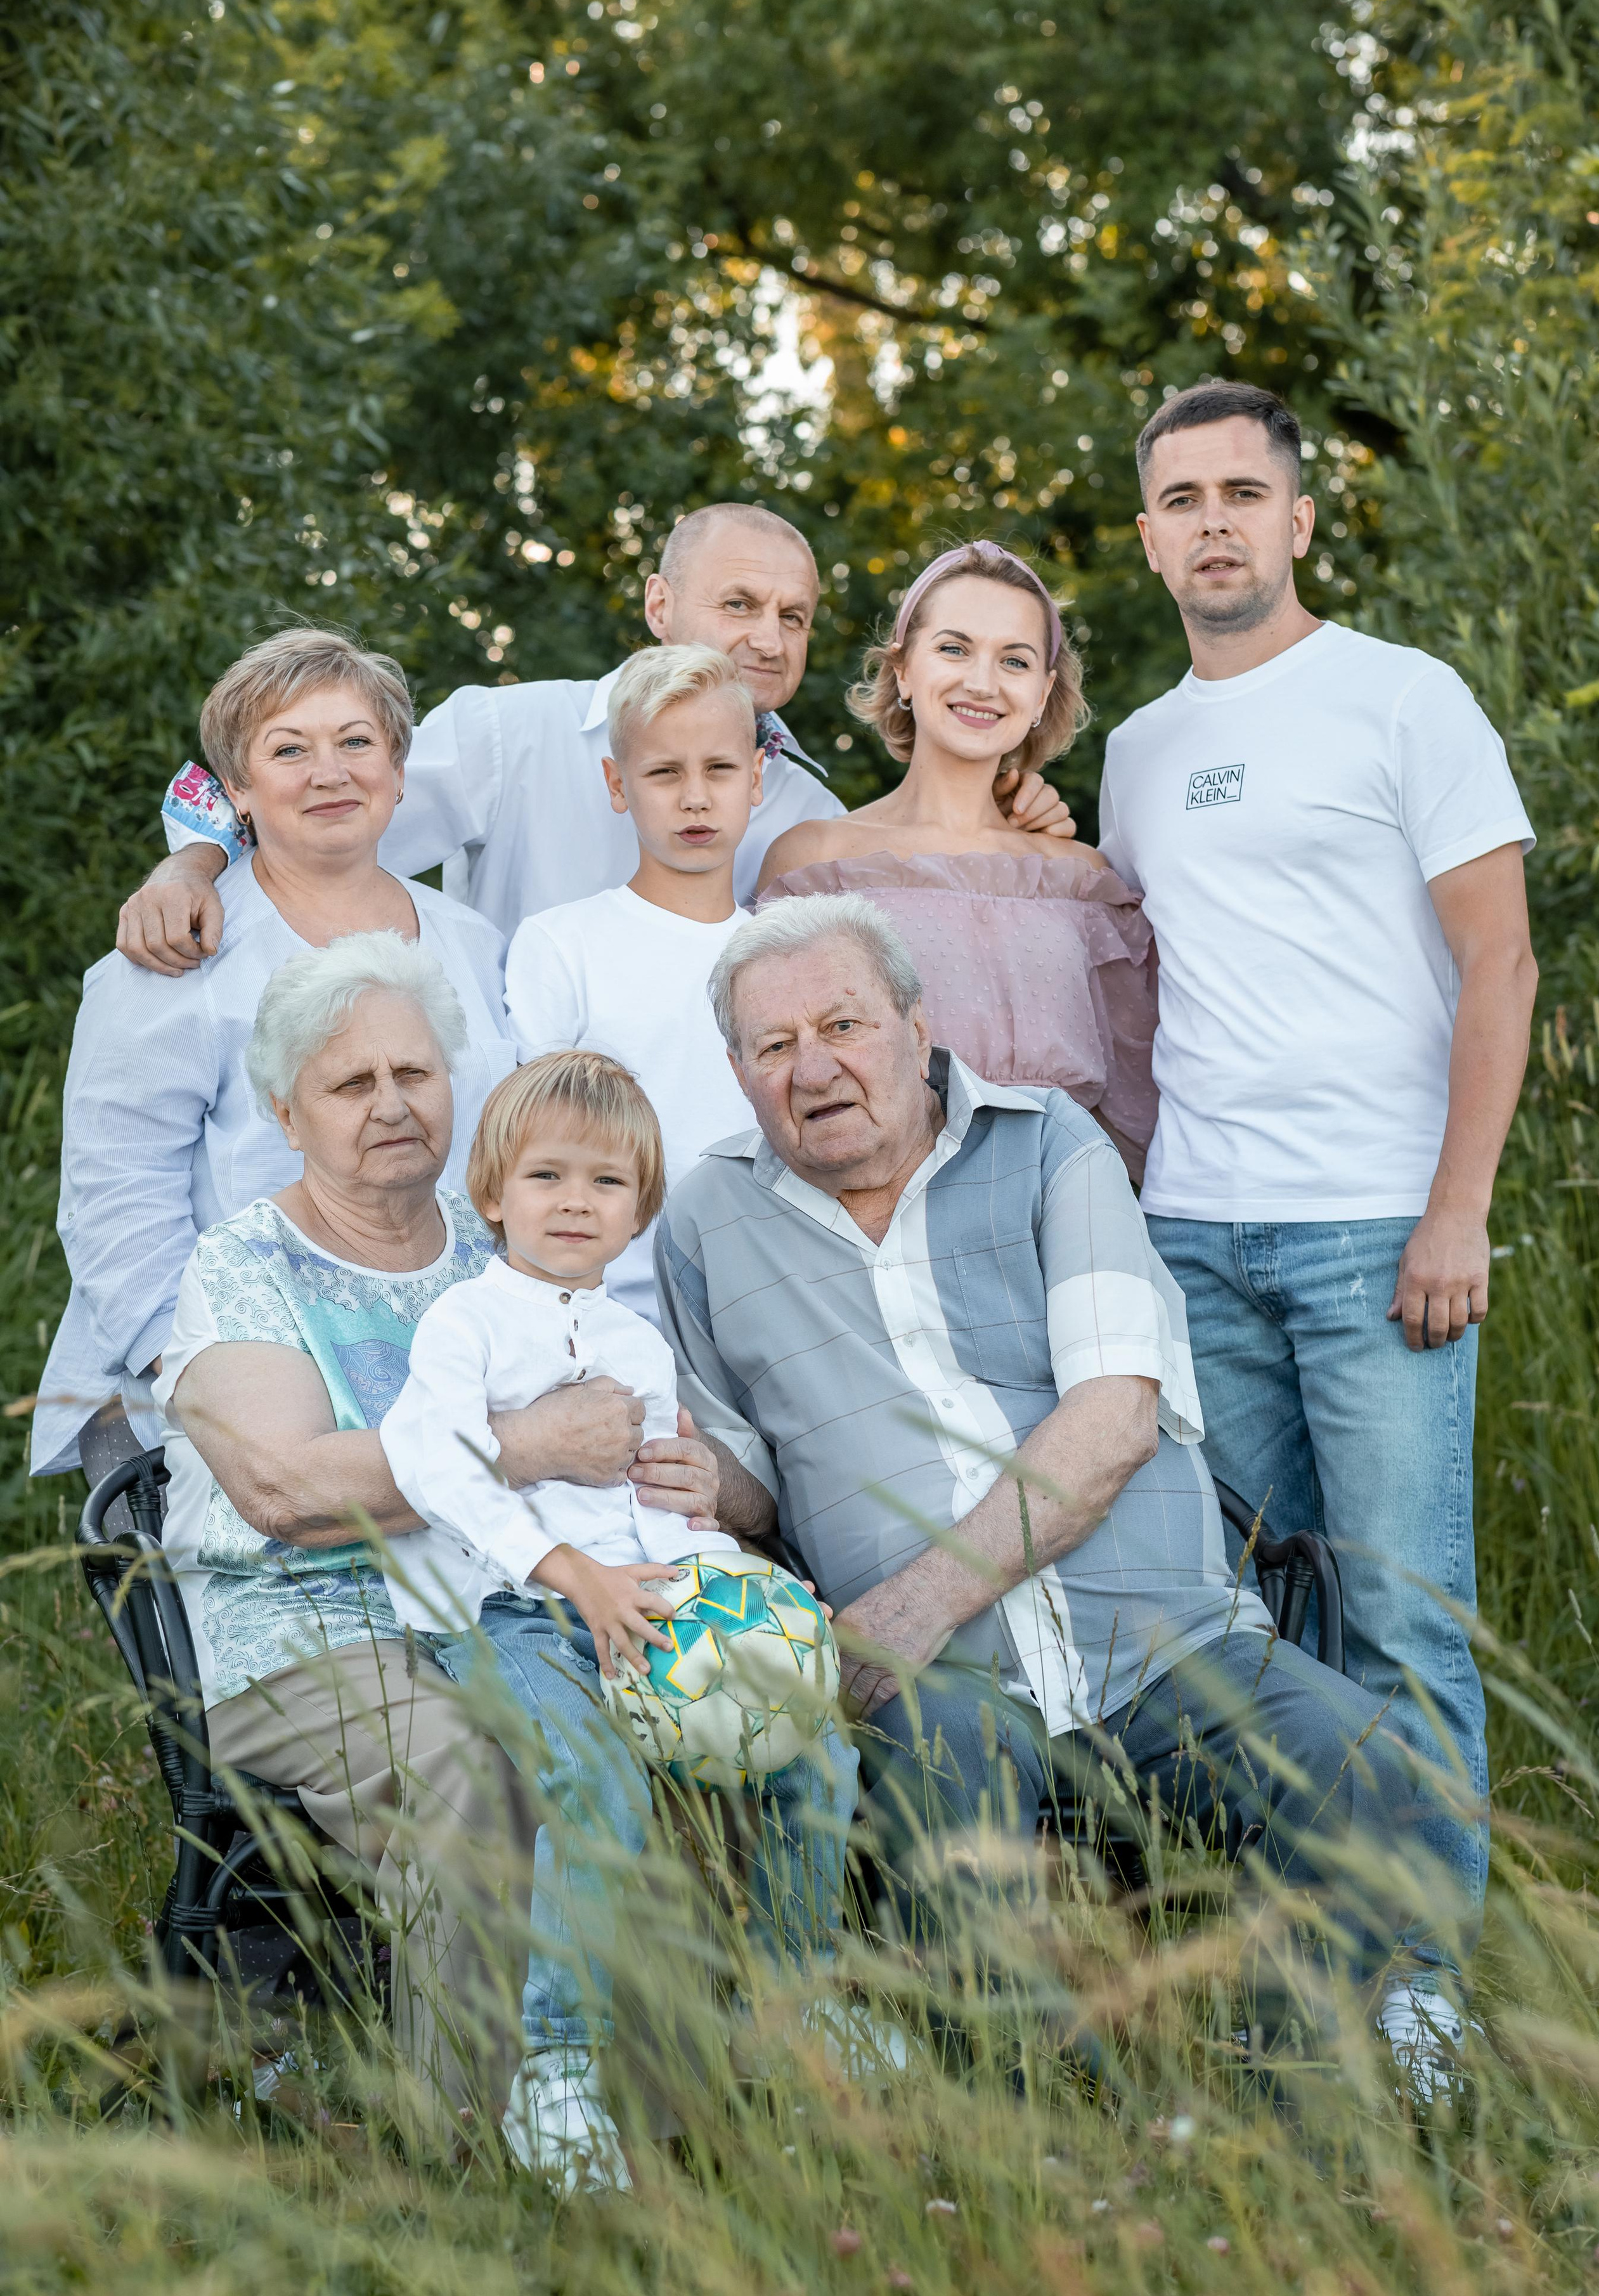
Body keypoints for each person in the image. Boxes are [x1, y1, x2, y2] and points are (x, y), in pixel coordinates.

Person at [654, 893, 1463, 2066]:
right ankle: (1038, 2151)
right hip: (947, 1691)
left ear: (914, 1024)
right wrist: (678, 1472)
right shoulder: (706, 1222)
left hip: (1162, 1643)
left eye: (842, 1025)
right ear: (736, 1072)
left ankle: (1292, 2094)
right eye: (772, 1046)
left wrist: (914, 1609)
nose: (813, 1067)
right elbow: (756, 1498)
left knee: (1362, 1769)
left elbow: (1113, 1420)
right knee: (948, 1792)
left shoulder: (1049, 1147)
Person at [158, 937, 725, 2168]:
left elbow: (637, 1426)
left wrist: (693, 1472)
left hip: (507, 1615)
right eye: (350, 1084)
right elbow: (285, 1490)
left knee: (665, 1739)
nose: (391, 1104)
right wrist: (524, 1443)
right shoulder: (241, 1267)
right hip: (302, 1638)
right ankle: (470, 2160)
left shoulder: (506, 1256)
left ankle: (657, 2149)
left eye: (413, 1072)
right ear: (283, 1112)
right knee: (464, 1767)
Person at [1098, 380, 1539, 1928]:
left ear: (1294, 518)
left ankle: (1414, 1986)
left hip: (1374, 1230)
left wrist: (1456, 1209)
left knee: (1400, 1624)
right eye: (1179, 498)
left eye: (1237, 491)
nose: (1209, 520)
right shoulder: (1137, 751)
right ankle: (1305, 1968)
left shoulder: (1401, 697)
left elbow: (1499, 965)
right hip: (1194, 1237)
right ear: (1147, 540)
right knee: (1260, 1623)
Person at [380, 1050, 858, 2181]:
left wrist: (734, 1606)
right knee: (599, 1785)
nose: (574, 1204)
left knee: (816, 1750)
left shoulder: (638, 1344)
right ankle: (557, 2073)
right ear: (493, 1193)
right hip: (512, 1614)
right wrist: (564, 1571)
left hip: (645, 1604)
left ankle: (791, 2010)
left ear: (639, 1210)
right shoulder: (467, 1325)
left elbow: (661, 1509)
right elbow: (428, 1463)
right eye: (546, 1178)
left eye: (605, 1185)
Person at [113, 505, 1077, 976]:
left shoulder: (807, 811)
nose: (767, 637)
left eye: (795, 614)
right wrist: (188, 872)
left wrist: (1006, 808)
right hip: (498, 1126)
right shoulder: (512, 730)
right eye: (737, 603)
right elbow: (300, 812)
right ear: (661, 604)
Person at [32, 626, 516, 1486]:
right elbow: (115, 1199)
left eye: (357, 743)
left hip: (457, 1369)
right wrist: (205, 1377)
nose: (331, 773)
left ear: (399, 774)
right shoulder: (176, 956)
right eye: (290, 750)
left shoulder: (472, 944)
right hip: (252, 1377)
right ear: (238, 794)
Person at [755, 540, 1156, 1181]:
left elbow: (1139, 1098)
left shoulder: (1082, 878)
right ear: (904, 669)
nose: (982, 682)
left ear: (1043, 693)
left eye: (1015, 660)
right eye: (953, 648)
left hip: (1067, 1204)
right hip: (883, 1210)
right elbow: (777, 1065)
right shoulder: (817, 861)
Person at [503, 642, 763, 1320]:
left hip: (765, 1301)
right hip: (607, 1310)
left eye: (720, 769)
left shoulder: (782, 956)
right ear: (618, 785)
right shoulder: (561, 945)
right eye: (665, 772)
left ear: (757, 779)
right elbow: (536, 1146)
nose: (696, 797)